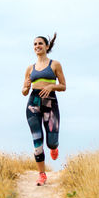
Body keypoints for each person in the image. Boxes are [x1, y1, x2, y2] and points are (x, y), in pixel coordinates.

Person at [22, 33, 66, 186]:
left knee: (51, 142)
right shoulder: (30, 68)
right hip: (33, 102)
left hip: (50, 101)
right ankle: (42, 174)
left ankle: (54, 147)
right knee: (37, 140)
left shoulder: (55, 65)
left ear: (47, 46)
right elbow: (24, 91)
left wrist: (51, 86)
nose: (37, 46)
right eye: (35, 44)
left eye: (40, 43)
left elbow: (63, 86)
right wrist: (26, 87)